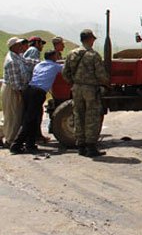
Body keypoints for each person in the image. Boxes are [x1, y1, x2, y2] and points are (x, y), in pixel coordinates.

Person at [62, 29, 110, 157]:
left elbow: (65, 73)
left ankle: (81, 146)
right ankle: (91, 147)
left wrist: (74, 83)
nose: (94, 41)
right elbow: (101, 75)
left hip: (76, 89)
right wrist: (106, 82)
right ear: (89, 39)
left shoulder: (71, 54)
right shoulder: (93, 55)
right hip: (90, 89)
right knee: (92, 118)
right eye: (93, 38)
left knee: (79, 116)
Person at [9, 50, 62, 154]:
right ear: (53, 57)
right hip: (38, 93)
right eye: (56, 56)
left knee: (33, 119)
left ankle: (30, 144)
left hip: (29, 90)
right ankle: (16, 144)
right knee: (30, 120)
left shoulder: (39, 65)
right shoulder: (55, 66)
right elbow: (66, 68)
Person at [2, 37, 37, 149]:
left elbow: (28, 61)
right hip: (13, 90)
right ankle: (10, 140)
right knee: (13, 116)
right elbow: (15, 84)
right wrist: (24, 93)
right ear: (14, 47)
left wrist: (45, 62)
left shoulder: (18, 57)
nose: (22, 46)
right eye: (19, 44)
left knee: (16, 115)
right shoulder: (11, 61)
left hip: (18, 89)